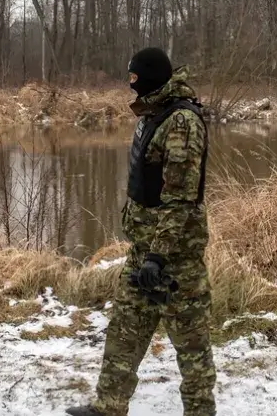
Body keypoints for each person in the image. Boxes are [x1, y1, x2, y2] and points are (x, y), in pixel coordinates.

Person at [67, 47, 217, 416]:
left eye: (134, 77)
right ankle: (108, 407)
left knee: (191, 346)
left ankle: (200, 411)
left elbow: (180, 198)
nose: (130, 84)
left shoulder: (181, 121)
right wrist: (145, 252)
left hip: (174, 259)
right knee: (124, 332)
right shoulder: (154, 114)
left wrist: (158, 256)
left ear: (149, 77)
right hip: (144, 253)